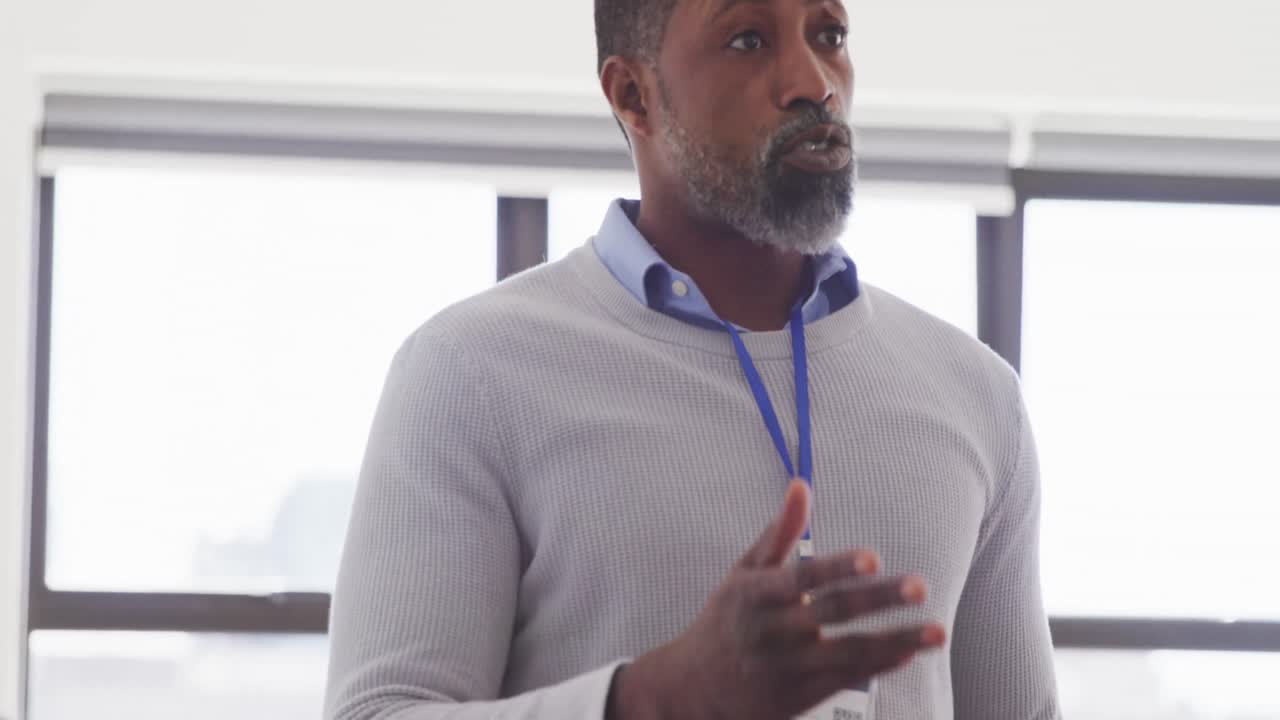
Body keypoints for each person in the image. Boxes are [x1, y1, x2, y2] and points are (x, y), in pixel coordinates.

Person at [323, 0, 1061, 717]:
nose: (814, 83)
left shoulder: (975, 394)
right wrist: (652, 700)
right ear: (634, 95)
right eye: (747, 40)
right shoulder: (468, 372)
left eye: (828, 33)